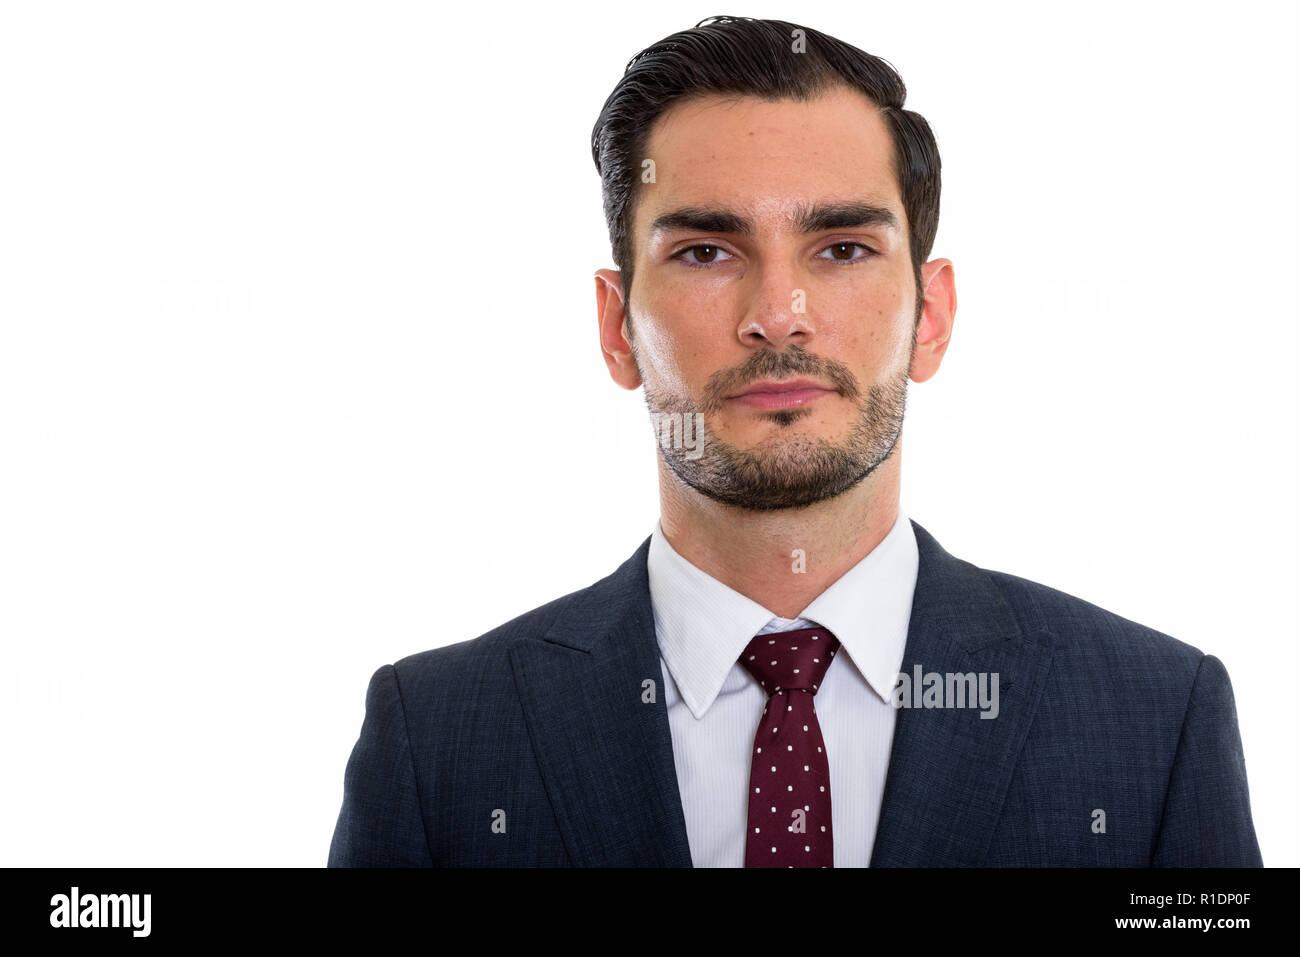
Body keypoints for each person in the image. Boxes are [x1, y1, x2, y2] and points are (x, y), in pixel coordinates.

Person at [327, 15, 1262, 867]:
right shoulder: (437, 740)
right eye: (704, 251)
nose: (780, 315)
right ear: (617, 328)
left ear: (931, 315)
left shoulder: (1155, 720)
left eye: (843, 248)